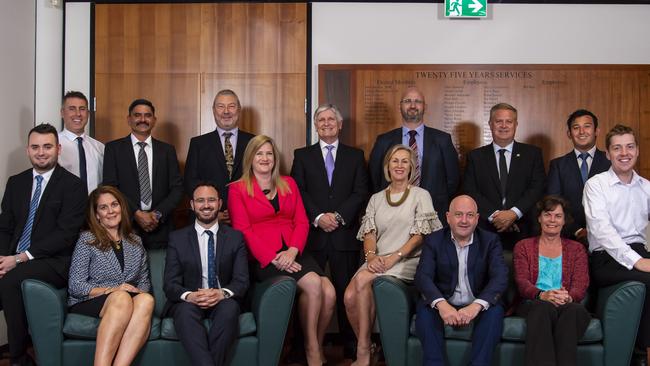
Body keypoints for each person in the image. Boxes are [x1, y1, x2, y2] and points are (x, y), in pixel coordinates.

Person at [228, 135, 335, 366]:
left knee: (330, 292)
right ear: (250, 158)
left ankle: (310, 344)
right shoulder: (237, 189)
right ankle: (313, 351)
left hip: (294, 250)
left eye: (269, 153)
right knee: (315, 284)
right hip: (264, 258)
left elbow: (302, 222)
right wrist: (274, 258)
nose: (265, 158)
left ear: (275, 158)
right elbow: (242, 230)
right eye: (259, 154)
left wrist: (293, 250)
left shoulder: (289, 183)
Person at [345, 144, 442, 366]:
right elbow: (369, 233)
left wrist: (394, 257)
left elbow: (420, 236)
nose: (399, 165)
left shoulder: (421, 195)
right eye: (395, 161)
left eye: (404, 161)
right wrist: (370, 257)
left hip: (408, 259)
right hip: (378, 258)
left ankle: (362, 353)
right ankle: (371, 345)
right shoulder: (376, 198)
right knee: (349, 298)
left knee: (361, 280)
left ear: (412, 167)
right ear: (387, 166)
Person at [0, 123, 87, 366]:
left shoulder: (73, 186)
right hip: (15, 257)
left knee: (10, 281)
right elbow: (5, 226)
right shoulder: (15, 182)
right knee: (7, 277)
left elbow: (65, 235)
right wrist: (3, 259)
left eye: (47, 146)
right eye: (35, 147)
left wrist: (19, 258)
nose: (41, 152)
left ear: (58, 149)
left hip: (55, 262)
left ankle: (18, 359)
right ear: (27, 150)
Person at [290, 104, 368, 359]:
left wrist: (338, 216)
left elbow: (361, 192)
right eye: (321, 120)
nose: (326, 123)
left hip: (345, 236)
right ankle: (305, 346)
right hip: (312, 237)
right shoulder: (302, 155)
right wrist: (318, 217)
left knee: (347, 292)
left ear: (340, 124)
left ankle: (350, 345)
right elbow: (297, 191)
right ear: (315, 125)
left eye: (331, 119)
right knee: (309, 293)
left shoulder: (355, 156)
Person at [415, 195, 508, 366]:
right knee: (425, 312)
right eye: (458, 214)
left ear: (477, 218)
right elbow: (423, 276)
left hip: (478, 303)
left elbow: (500, 277)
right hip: (443, 300)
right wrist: (442, 305)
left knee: (494, 312)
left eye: (470, 215)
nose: (464, 220)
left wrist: (476, 306)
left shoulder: (490, 241)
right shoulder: (434, 240)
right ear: (448, 217)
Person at [584, 124, 650, 365]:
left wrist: (641, 258)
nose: (625, 153)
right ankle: (642, 355)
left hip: (639, 251)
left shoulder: (646, 187)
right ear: (608, 154)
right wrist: (637, 261)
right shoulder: (596, 185)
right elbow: (602, 231)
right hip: (605, 259)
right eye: (617, 148)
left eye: (630, 147)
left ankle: (641, 354)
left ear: (637, 150)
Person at [164, 182, 249, 366]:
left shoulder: (235, 237)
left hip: (222, 299)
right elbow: (170, 284)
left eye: (211, 200)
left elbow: (241, 281)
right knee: (185, 312)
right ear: (192, 205)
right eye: (200, 200)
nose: (206, 205)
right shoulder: (177, 238)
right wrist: (191, 296)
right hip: (190, 301)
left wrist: (222, 293)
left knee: (230, 309)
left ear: (219, 203)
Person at [68, 185, 154, 366]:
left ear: (121, 208)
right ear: (97, 214)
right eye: (103, 207)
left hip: (126, 298)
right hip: (90, 299)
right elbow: (76, 285)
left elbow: (144, 280)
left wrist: (136, 292)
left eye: (114, 205)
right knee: (121, 297)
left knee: (146, 299)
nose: (110, 211)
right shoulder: (87, 239)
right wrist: (113, 290)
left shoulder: (136, 241)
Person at [513, 195, 590, 366]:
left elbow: (580, 284)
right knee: (543, 308)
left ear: (565, 221)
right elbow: (522, 282)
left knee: (573, 311)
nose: (552, 220)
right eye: (547, 214)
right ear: (539, 218)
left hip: (566, 303)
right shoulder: (523, 246)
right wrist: (542, 294)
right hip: (535, 303)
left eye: (558, 216)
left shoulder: (577, 249)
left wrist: (568, 297)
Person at [368, 86, 459, 226]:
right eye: (407, 101)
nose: (412, 105)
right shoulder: (384, 141)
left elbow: (453, 180)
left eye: (417, 101)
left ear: (425, 107)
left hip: (433, 214)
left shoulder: (443, 140)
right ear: (400, 106)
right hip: (392, 215)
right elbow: (375, 178)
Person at [463, 103, 545, 250]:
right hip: (486, 230)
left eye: (509, 121)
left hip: (523, 229)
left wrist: (514, 213)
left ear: (516, 124)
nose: (504, 126)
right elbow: (470, 190)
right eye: (498, 121)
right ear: (490, 124)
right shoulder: (476, 157)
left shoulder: (532, 154)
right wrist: (496, 216)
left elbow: (537, 187)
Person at [103, 98, 183, 249]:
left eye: (147, 115)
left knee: (160, 271)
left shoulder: (167, 151)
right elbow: (110, 187)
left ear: (154, 120)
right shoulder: (113, 149)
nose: (142, 119)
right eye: (137, 115)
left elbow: (177, 188)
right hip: (125, 225)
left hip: (161, 227)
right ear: (129, 119)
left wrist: (157, 215)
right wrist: (136, 214)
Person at [185, 89, 255, 222]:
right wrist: (213, 210)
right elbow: (190, 182)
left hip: (247, 218)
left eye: (232, 106)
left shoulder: (254, 142)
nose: (226, 111)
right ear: (213, 110)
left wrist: (238, 211)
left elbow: (260, 181)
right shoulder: (198, 144)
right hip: (208, 219)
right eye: (221, 106)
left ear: (239, 110)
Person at [547, 109, 610, 243]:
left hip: (608, 238)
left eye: (587, 126)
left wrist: (597, 230)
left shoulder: (610, 162)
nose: (582, 132)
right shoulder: (558, 165)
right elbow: (553, 203)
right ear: (569, 133)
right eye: (576, 128)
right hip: (569, 238)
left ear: (596, 131)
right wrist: (577, 230)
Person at [58, 91, 105, 192]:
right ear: (62, 113)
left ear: (88, 114)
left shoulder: (100, 148)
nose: (78, 114)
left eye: (82, 109)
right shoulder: (53, 146)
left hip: (93, 205)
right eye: (72, 109)